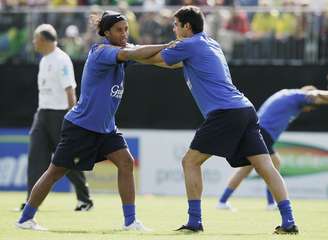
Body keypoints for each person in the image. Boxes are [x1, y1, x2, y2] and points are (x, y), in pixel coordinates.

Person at [142, 5, 299, 234]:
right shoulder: (209, 43)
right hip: (245, 109)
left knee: (190, 162)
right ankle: (289, 221)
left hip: (225, 112)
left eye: (175, 24)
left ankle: (194, 222)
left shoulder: (189, 44)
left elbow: (161, 59)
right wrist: (141, 57)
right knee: (266, 167)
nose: (173, 28)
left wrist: (126, 55)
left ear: (187, 26)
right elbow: (171, 63)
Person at [15, 11, 171, 231]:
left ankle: (130, 221)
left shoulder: (121, 52)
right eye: (119, 30)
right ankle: (25, 219)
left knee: (126, 162)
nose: (124, 33)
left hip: (106, 128)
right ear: (106, 32)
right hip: (82, 126)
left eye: (126, 29)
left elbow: (151, 57)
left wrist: (180, 58)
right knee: (54, 172)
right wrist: (171, 45)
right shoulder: (101, 51)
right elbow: (135, 53)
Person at [17, 24, 93, 212]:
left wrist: (72, 119)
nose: (34, 42)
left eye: (35, 39)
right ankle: (30, 202)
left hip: (60, 115)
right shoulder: (44, 60)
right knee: (36, 157)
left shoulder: (62, 59)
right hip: (42, 113)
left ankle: (85, 199)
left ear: (43, 39)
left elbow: (70, 90)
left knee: (66, 159)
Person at [218, 86, 328, 210]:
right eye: (310, 106)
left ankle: (223, 201)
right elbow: (319, 98)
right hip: (263, 133)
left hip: (258, 131)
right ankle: (270, 204)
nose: (309, 109)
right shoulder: (299, 96)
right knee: (270, 165)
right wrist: (318, 95)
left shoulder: (289, 95)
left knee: (249, 168)